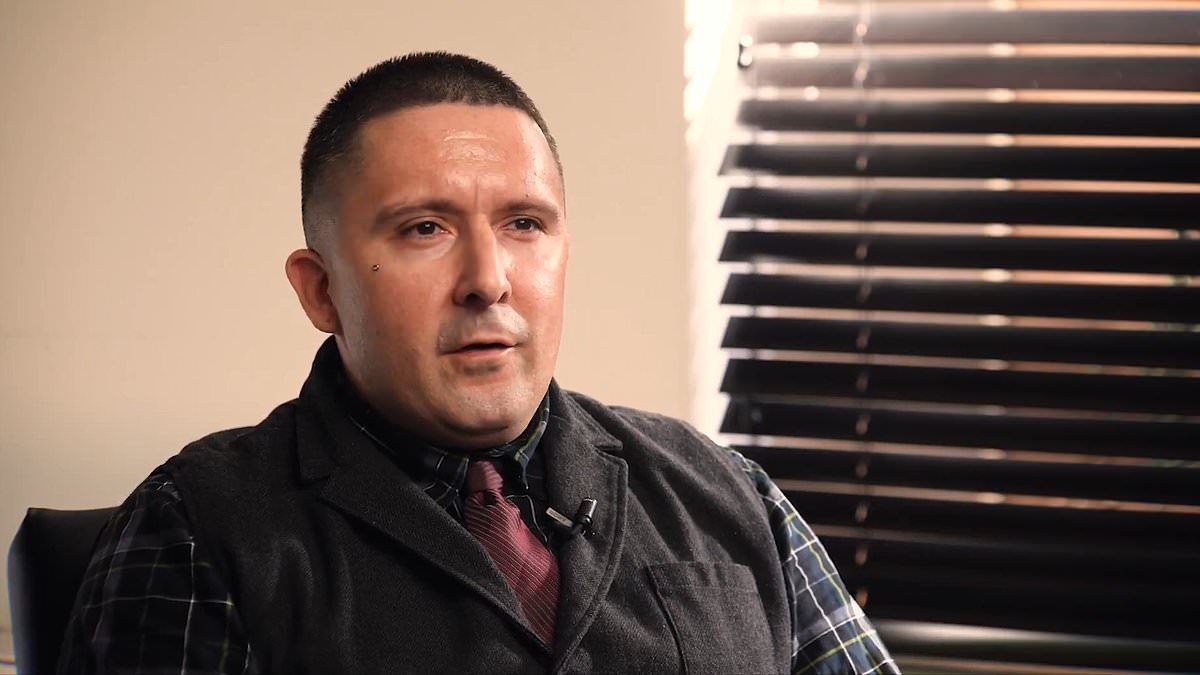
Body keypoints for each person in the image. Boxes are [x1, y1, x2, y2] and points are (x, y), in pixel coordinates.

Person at [58, 52, 898, 674]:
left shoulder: (727, 492)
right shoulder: (199, 529)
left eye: (525, 223)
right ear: (322, 290)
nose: (488, 279)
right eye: (424, 228)